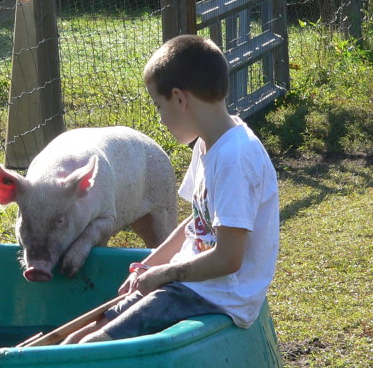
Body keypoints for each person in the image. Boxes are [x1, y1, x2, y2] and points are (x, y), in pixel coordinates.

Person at [64, 34, 280, 344]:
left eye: (159, 106)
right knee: (86, 329)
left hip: (218, 295)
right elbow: (196, 223)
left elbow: (229, 258)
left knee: (91, 345)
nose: (161, 119)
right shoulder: (208, 144)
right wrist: (148, 266)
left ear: (179, 99)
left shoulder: (235, 159)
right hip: (189, 284)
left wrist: (163, 275)